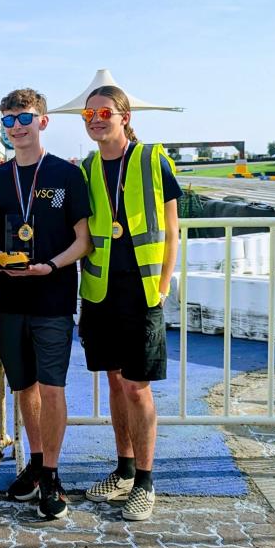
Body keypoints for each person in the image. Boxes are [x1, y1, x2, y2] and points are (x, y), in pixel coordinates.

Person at [0, 88, 91, 520]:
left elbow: (83, 241)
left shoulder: (66, 174)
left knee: (52, 387)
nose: (16, 127)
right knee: (23, 387)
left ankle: (53, 475)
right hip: (8, 300)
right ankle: (38, 463)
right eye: (7, 120)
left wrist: (52, 265)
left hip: (52, 296)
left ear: (42, 121)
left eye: (23, 118)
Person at [78, 85, 180, 521]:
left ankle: (144, 481)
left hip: (142, 290)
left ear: (124, 115)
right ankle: (122, 470)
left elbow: (173, 228)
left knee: (138, 387)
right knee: (116, 383)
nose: (96, 118)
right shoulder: (85, 168)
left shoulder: (153, 159)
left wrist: (161, 285)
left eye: (104, 111)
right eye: (89, 112)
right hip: (100, 291)